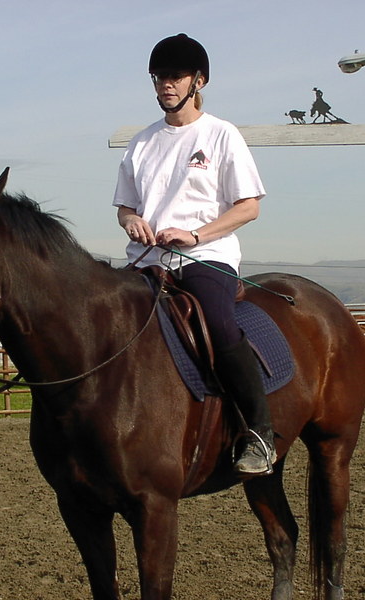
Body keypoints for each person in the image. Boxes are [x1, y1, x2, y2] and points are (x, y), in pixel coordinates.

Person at [112, 33, 276, 475]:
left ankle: (259, 431)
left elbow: (249, 206)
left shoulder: (221, 134)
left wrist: (195, 235)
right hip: (147, 260)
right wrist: (131, 221)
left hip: (206, 256)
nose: (166, 84)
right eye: (159, 76)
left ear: (197, 81)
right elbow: (126, 206)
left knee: (218, 324)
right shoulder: (141, 142)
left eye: (176, 76)